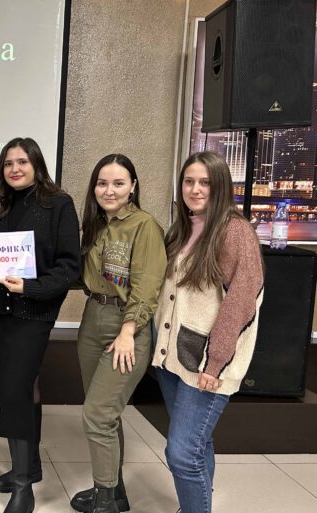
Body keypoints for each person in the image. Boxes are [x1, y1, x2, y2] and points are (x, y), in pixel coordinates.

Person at [152, 151, 264, 513]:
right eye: (189, 181)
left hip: (206, 364)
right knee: (197, 445)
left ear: (221, 186)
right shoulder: (183, 227)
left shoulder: (235, 232)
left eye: (205, 182)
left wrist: (215, 364)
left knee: (182, 453)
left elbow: (241, 303)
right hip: (174, 358)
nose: (195, 189)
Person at [0, 137, 81, 513]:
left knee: (15, 392)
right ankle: (29, 466)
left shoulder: (59, 204)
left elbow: (69, 267)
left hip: (34, 313)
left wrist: (30, 288)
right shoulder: (4, 211)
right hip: (3, 314)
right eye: (8, 163)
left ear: (37, 165)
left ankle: (23, 487)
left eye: (22, 162)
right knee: (23, 388)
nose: (15, 169)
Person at [71, 154, 166, 513]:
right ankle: (115, 491)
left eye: (118, 183)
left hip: (126, 326)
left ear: (133, 187)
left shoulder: (145, 226)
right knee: (106, 414)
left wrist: (128, 331)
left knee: (97, 415)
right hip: (92, 318)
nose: (108, 190)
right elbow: (81, 275)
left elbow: (147, 286)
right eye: (102, 183)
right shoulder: (95, 224)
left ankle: (105, 501)